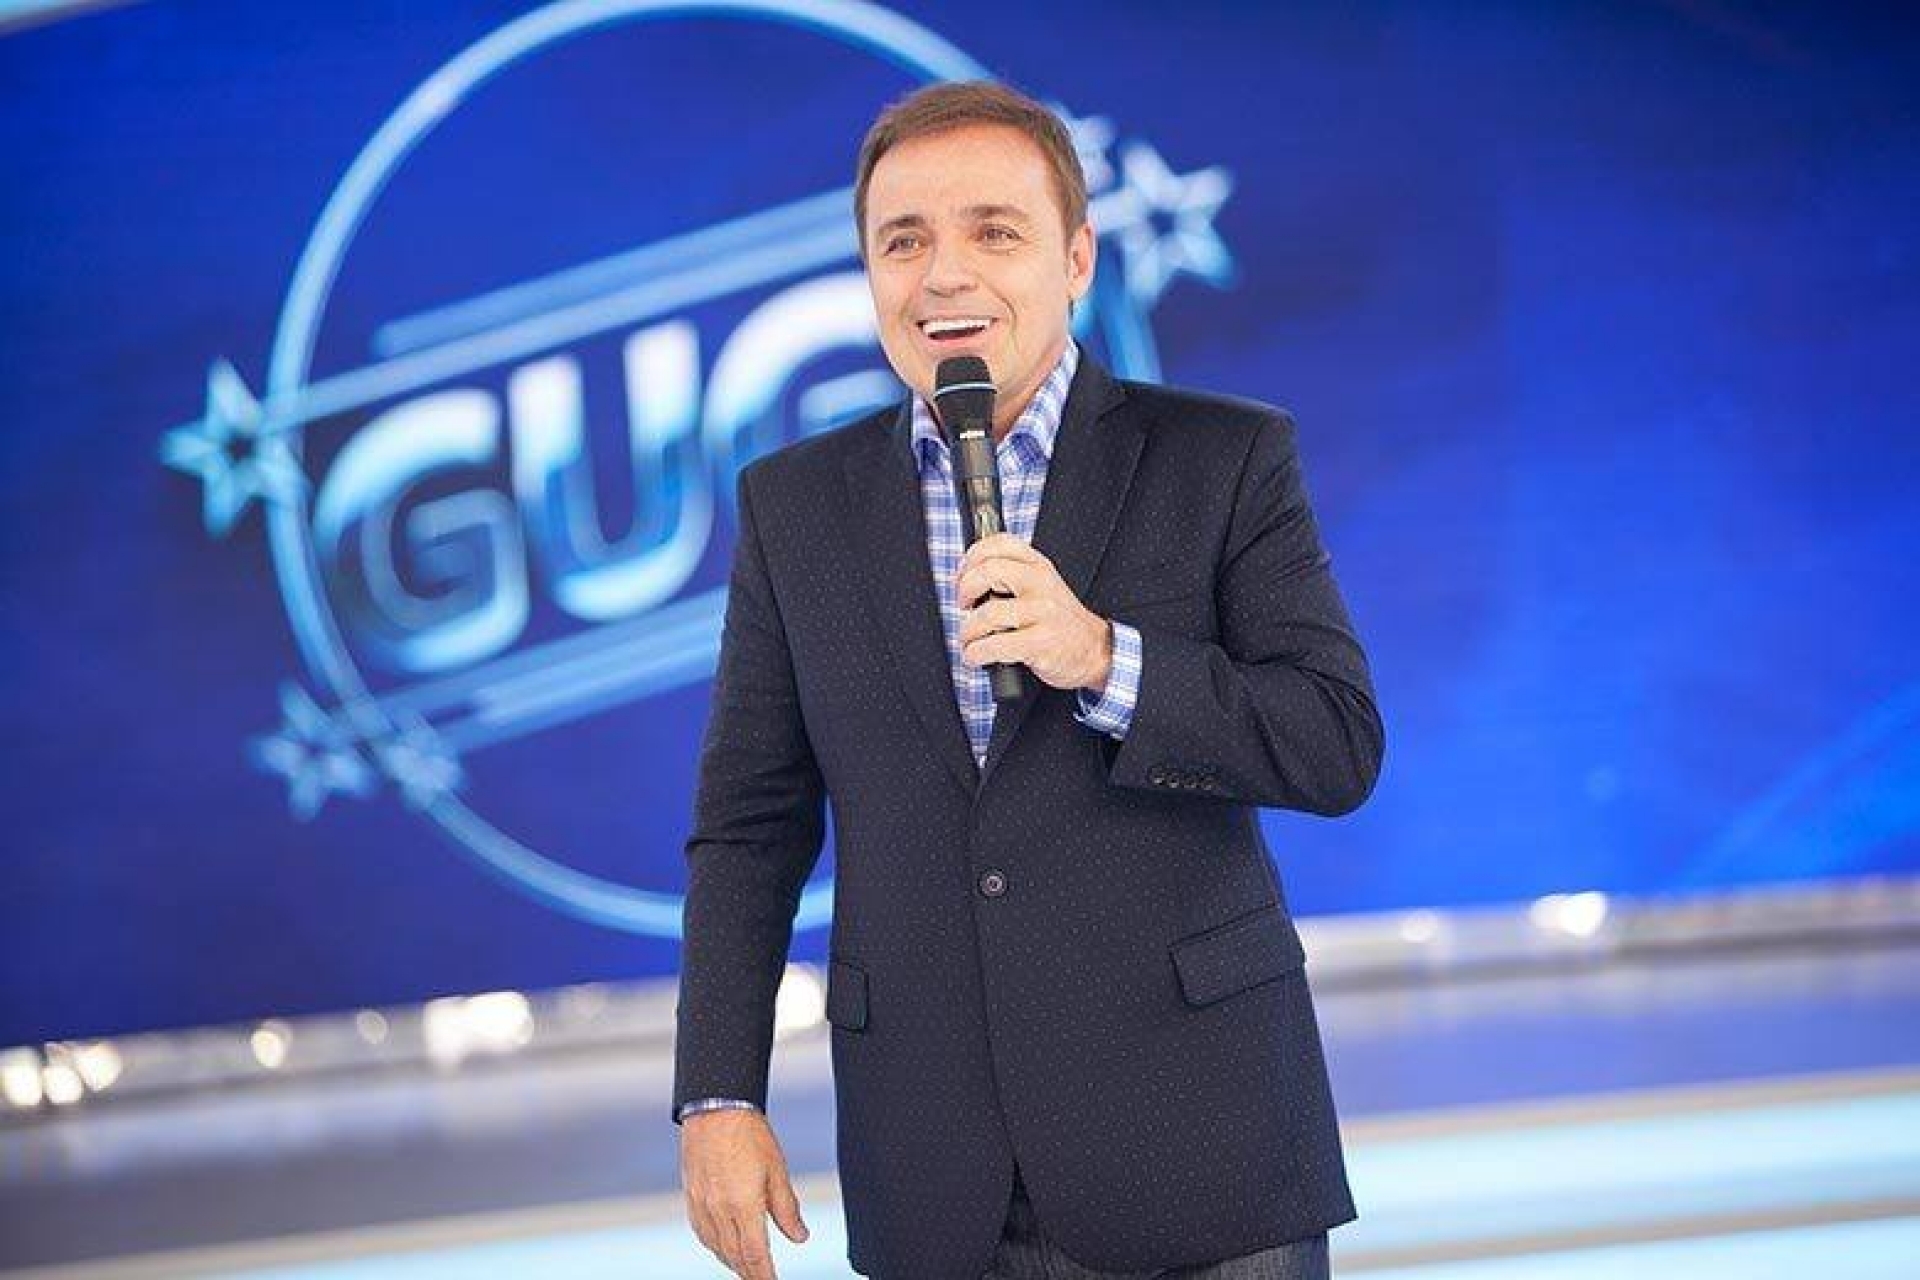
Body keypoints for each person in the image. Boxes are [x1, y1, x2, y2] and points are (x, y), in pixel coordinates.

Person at [674, 81, 1383, 1280]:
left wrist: (1105, 658)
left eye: (994, 231)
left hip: (1205, 1152)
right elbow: (749, 826)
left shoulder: (1223, 458)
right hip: (936, 1174)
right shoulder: (794, 506)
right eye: (904, 240)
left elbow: (1335, 739)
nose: (944, 275)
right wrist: (717, 1096)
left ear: (1077, 258)